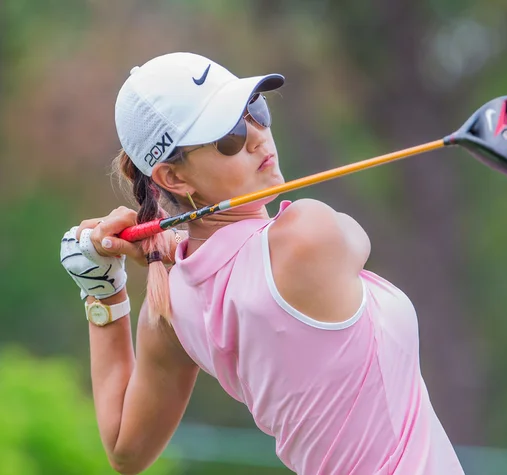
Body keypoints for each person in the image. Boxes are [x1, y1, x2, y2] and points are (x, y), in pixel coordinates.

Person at [60, 52, 465, 475]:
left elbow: (126, 450)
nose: (257, 137)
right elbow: (357, 238)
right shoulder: (306, 235)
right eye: (229, 135)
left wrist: (101, 286)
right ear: (175, 178)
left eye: (253, 109)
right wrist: (168, 241)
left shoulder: (169, 309)